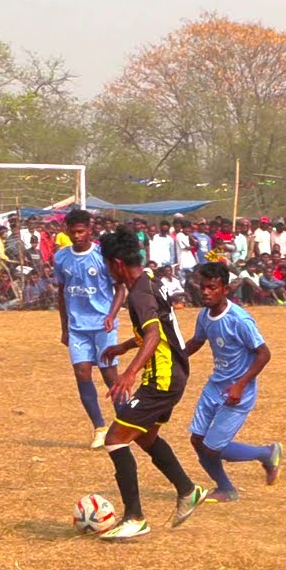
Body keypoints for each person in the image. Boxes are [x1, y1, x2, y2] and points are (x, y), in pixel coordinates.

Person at [95, 228, 206, 541]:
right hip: (173, 373)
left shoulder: (139, 295)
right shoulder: (149, 282)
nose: (107, 271)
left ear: (117, 263)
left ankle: (135, 518)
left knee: (115, 438)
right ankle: (188, 490)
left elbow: (155, 335)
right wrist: (124, 346)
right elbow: (158, 328)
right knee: (145, 436)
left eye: (107, 264)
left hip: (162, 377)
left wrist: (129, 373)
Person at [183, 262, 282, 503]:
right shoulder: (204, 314)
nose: (205, 292)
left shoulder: (239, 320)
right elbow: (197, 341)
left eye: (212, 288)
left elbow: (264, 354)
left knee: (213, 448)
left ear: (225, 289)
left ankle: (267, 453)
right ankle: (226, 489)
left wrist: (240, 384)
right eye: (203, 287)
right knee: (197, 440)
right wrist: (174, 358)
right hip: (215, 386)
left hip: (238, 391)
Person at [53, 210, 127, 450]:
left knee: (109, 376)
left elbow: (120, 289)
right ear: (66, 231)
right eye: (72, 232)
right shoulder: (61, 258)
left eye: (81, 231)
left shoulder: (102, 256)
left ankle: (126, 425)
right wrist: (64, 327)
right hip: (77, 327)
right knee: (82, 373)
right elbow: (61, 293)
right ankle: (99, 428)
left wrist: (111, 315)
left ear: (89, 230)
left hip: (102, 325)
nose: (77, 236)